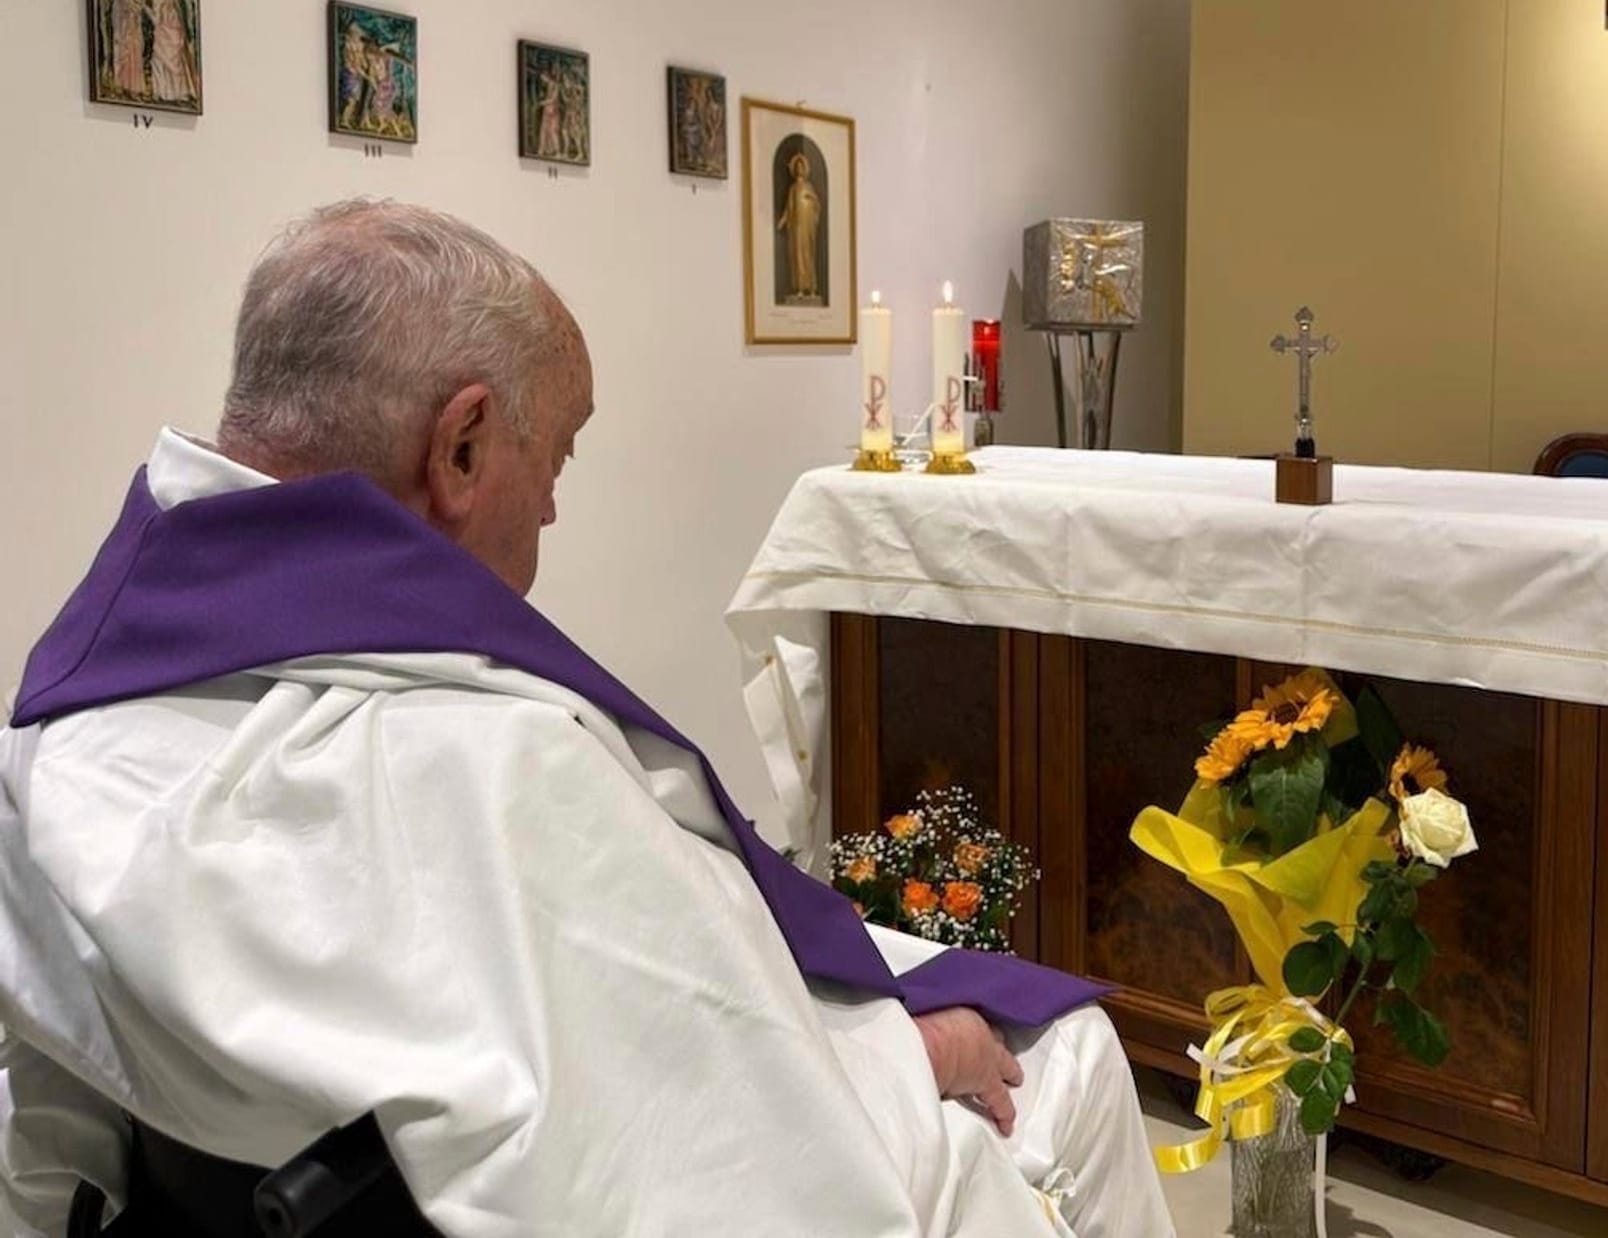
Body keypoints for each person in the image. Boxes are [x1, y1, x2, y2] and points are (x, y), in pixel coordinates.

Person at [0, 200, 1174, 1237]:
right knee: (1070, 1054)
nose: (554, 506)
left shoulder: (70, 718)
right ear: (459, 447)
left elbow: (64, 1100)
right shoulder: (493, 764)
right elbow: (692, 1126)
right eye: (555, 453)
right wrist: (908, 1052)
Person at [777, 151, 823, 302]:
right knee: (797, 256)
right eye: (797, 167)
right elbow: (788, 208)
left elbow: (817, 205)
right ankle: (800, 287)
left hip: (807, 226)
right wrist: (783, 220)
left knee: (808, 255)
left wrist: (812, 200)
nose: (799, 169)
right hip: (796, 227)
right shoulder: (793, 189)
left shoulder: (808, 187)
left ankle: (811, 287)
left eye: (801, 166)